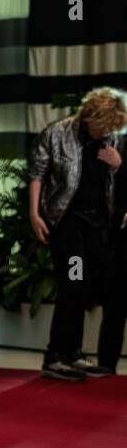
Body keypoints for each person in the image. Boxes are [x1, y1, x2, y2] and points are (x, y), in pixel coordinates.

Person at [28, 87, 127, 379]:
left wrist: (118, 164)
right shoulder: (58, 133)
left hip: (97, 223)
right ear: (90, 117)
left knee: (85, 287)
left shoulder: (111, 140)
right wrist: (34, 213)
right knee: (74, 280)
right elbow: (37, 172)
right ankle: (55, 354)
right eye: (104, 125)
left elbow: (116, 183)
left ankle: (73, 353)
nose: (107, 131)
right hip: (67, 220)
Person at [95, 139, 127, 373]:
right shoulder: (118, 140)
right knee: (115, 305)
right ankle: (106, 365)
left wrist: (120, 167)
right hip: (118, 238)